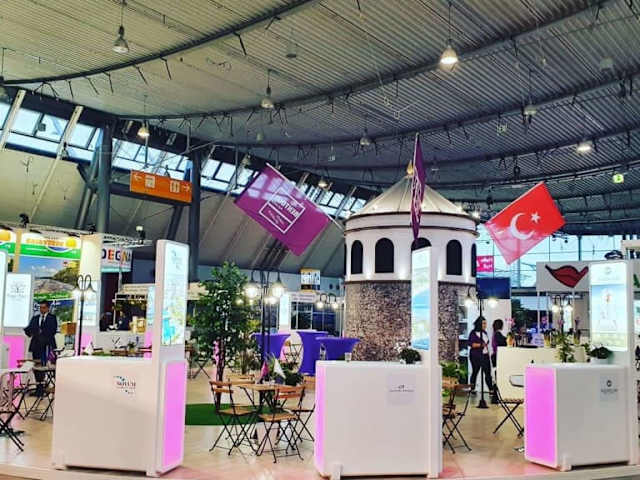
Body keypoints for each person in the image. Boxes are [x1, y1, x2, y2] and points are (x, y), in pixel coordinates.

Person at [24, 300, 58, 396]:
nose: (41, 309)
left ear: (48, 308)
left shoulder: (52, 318)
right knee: (37, 367)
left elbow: (52, 331)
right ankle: (39, 389)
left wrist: (42, 335)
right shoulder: (35, 318)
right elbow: (29, 330)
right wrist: (29, 331)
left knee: (50, 366)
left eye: (43, 307)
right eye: (40, 307)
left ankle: (54, 386)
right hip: (36, 346)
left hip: (47, 346)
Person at [468, 316, 493, 394]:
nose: (485, 325)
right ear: (479, 324)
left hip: (485, 355)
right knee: (475, 372)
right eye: (483, 323)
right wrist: (481, 345)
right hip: (475, 356)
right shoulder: (473, 333)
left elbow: (486, 343)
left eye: (485, 323)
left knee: (488, 373)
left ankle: (491, 389)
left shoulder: (485, 333)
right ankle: (472, 389)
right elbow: (471, 344)